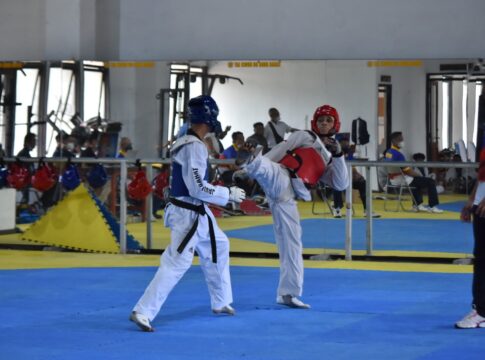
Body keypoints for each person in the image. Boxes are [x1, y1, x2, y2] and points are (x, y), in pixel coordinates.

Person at [130, 95, 246, 332]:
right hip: (188, 214)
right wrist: (228, 194)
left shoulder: (187, 142)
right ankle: (143, 310)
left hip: (196, 211)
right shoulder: (193, 147)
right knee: (177, 261)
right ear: (210, 118)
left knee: (219, 245)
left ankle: (221, 301)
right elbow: (197, 188)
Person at [236, 104, 348, 309]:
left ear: (335, 124)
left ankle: (288, 293)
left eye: (328, 121)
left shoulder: (331, 155)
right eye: (321, 120)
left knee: (292, 243)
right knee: (272, 171)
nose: (324, 124)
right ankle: (252, 163)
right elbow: (282, 149)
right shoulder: (306, 136)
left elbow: (341, 184)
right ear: (315, 123)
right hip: (283, 174)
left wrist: (340, 155)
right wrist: (248, 174)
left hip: (288, 199)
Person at [455, 148, 485, 329]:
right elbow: (482, 175)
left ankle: (482, 311)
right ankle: (480, 308)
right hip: (479, 205)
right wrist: (471, 200)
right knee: (481, 258)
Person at [384, 132, 443, 213]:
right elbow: (407, 171)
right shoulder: (398, 154)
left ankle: (417, 205)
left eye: (402, 139)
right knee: (430, 182)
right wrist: (418, 175)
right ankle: (433, 206)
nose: (402, 141)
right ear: (394, 141)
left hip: (392, 180)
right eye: (400, 140)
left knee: (416, 181)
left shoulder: (388, 152)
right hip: (402, 179)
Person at [332, 135, 380, 218]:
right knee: (337, 184)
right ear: (338, 144)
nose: (346, 144)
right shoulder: (333, 153)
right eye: (343, 142)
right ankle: (337, 208)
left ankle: (367, 210)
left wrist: (356, 174)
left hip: (349, 178)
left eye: (347, 142)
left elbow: (352, 166)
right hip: (336, 179)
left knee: (363, 182)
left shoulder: (350, 153)